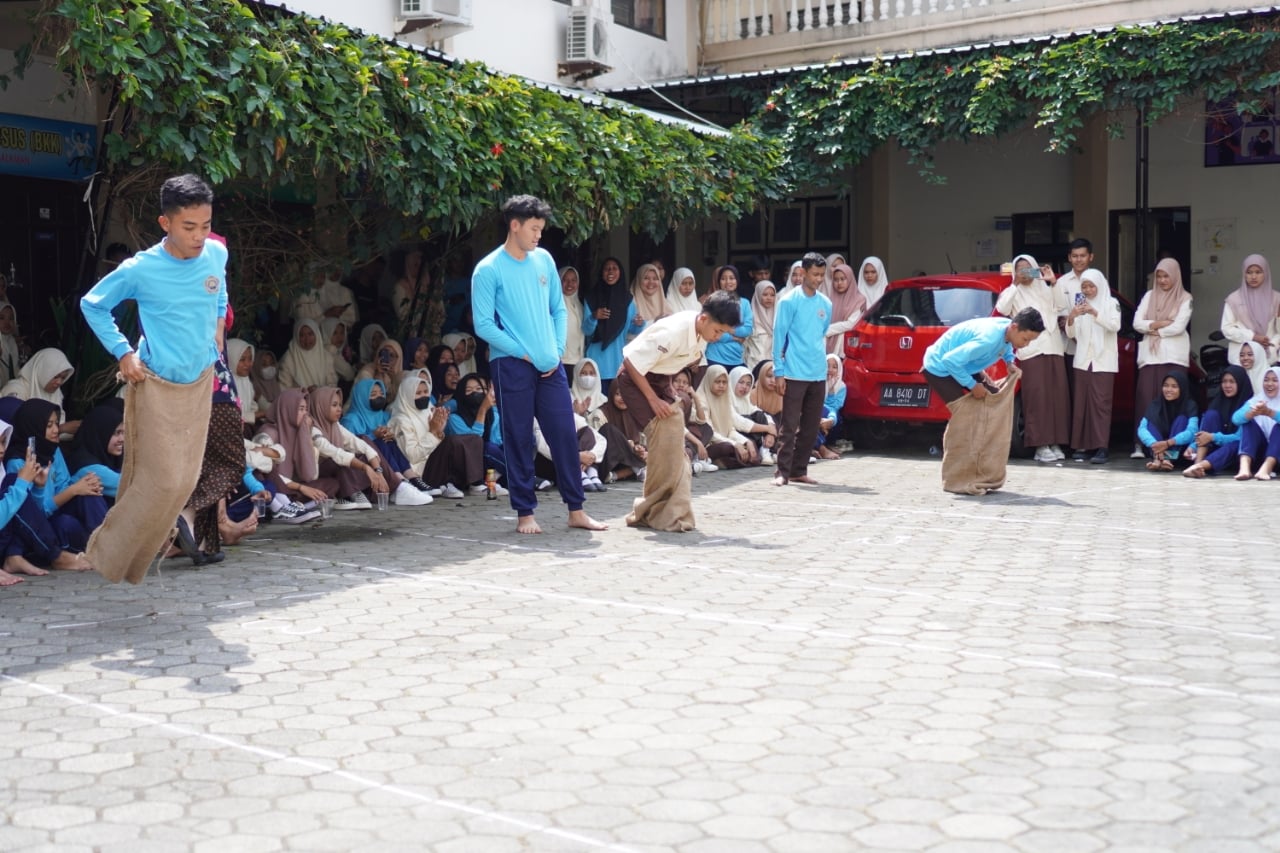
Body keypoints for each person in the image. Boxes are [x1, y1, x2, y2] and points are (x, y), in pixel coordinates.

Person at [79, 174, 228, 584]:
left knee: (184, 481)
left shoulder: (215, 254)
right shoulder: (141, 269)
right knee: (160, 482)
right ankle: (105, 551)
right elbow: (92, 305)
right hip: (156, 385)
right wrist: (124, 353)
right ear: (166, 223)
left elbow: (220, 292)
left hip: (199, 382)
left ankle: (132, 564)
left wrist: (217, 331)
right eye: (188, 227)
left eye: (206, 225)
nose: (199, 236)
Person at [471, 195, 606, 534]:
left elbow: (558, 310)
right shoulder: (488, 269)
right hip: (512, 365)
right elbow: (484, 325)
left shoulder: (544, 260)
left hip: (551, 366)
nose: (538, 236)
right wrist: (526, 353)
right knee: (518, 437)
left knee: (563, 433)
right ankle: (525, 513)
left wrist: (555, 350)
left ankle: (576, 510)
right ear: (514, 225)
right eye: (533, 229)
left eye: (541, 230)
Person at [613, 290, 740, 530]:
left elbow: (673, 363)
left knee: (671, 446)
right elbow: (631, 362)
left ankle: (654, 510)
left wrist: (669, 388)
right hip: (633, 379)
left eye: (724, 333)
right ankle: (656, 510)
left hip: (659, 379)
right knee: (665, 438)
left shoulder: (703, 334)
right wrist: (652, 400)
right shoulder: (672, 332)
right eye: (718, 330)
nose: (718, 336)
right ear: (704, 319)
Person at [922, 309, 1044, 495]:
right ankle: (956, 478)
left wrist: (1010, 361)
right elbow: (950, 361)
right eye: (1025, 339)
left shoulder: (1006, 330)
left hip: (965, 365)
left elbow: (1006, 346)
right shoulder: (987, 340)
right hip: (939, 367)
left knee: (993, 399)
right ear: (1014, 327)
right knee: (966, 416)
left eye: (1030, 341)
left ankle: (984, 471)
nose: (1025, 344)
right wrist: (972, 385)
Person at [0, 419, 93, 585]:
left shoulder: (52, 454)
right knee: (13, 482)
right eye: (48, 425)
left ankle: (15, 556)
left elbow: (31, 516)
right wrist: (21, 484)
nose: (2, 450)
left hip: (19, 538)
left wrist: (38, 489)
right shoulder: (15, 463)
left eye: (2, 442)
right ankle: (55, 555)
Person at [997, 254, 1070, 463]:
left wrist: (1052, 282)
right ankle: (1040, 444)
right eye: (1020, 269)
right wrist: (1015, 283)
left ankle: (1054, 441)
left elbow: (1061, 306)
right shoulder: (1013, 291)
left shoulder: (1045, 289)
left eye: (1028, 269)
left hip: (1054, 348)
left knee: (1057, 397)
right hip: (1031, 351)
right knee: (1037, 398)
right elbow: (1002, 309)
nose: (1024, 272)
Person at [771, 252, 833, 485]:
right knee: (789, 425)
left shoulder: (826, 304)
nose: (818, 279)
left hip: (818, 372)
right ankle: (782, 472)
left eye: (821, 275)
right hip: (794, 371)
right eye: (815, 274)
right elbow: (779, 337)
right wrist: (779, 371)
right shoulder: (788, 301)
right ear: (803, 273)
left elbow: (822, 333)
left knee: (810, 427)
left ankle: (799, 470)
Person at [1132, 258, 1192, 459]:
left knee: (1174, 402)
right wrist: (1160, 324)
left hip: (1174, 356)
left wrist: (1154, 330)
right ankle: (1141, 445)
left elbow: (1179, 326)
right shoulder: (1149, 296)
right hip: (1150, 357)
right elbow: (1137, 323)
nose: (1163, 280)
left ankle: (1170, 447)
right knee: (1146, 400)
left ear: (1175, 275)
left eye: (1166, 276)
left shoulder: (1185, 298)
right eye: (1159, 276)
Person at [1064, 269, 1120, 463]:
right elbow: (1072, 335)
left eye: (1091, 286)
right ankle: (1082, 445)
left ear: (1100, 285)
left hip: (1103, 362)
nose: (1087, 290)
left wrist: (1095, 312)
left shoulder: (1111, 303)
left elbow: (1115, 326)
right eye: (1084, 286)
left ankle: (1101, 446)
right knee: (1082, 403)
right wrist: (1072, 316)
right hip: (1082, 361)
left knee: (1100, 405)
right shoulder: (1080, 304)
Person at [1184, 365, 1253, 478]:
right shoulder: (1218, 401)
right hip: (1214, 450)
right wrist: (1193, 446)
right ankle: (1197, 462)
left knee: (1235, 444)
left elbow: (1241, 438)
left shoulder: (1249, 406)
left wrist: (1213, 437)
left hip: (1235, 454)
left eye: (1232, 381)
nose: (1227, 385)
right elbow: (1204, 429)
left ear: (1240, 383)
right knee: (1211, 415)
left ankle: (1200, 466)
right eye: (1224, 381)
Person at [581, 257, 634, 390]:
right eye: (606, 269)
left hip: (618, 363)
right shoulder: (591, 298)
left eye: (614, 268)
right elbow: (586, 331)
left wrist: (639, 324)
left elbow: (631, 330)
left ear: (620, 272)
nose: (610, 271)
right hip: (595, 364)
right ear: (601, 273)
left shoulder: (628, 300)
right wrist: (594, 316)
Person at [1221, 254, 1280, 365]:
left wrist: (1271, 344)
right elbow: (1226, 328)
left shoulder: (1277, 299)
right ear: (1244, 274)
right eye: (1249, 272)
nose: (1253, 277)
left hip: (1269, 359)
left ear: (1266, 273)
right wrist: (1253, 337)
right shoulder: (1233, 299)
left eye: (1258, 272)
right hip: (1242, 359)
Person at [1048, 238, 1096, 369]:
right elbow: (1060, 317)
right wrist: (1078, 341)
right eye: (1075, 256)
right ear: (1069, 258)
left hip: (1096, 348)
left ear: (1090, 257)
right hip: (1071, 348)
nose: (1078, 260)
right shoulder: (1061, 283)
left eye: (1083, 256)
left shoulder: (1099, 281)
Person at [1137, 371, 1199, 472]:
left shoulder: (1190, 405)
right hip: (1156, 449)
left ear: (1182, 388)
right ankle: (1158, 459)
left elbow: (1193, 431)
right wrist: (1155, 445)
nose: (1169, 390)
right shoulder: (1156, 404)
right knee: (1151, 422)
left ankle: (1168, 460)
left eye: (1174, 386)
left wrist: (1168, 443)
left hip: (1179, 451)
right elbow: (1142, 429)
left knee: (1182, 420)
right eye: (1166, 386)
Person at [1233, 366, 1280, 480]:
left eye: (1274, 380)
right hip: (1260, 453)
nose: (1269, 384)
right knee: (1247, 422)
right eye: (1266, 380)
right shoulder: (1257, 400)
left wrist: (1269, 413)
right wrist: (1251, 414)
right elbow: (1235, 419)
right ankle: (1244, 467)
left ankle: (1267, 468)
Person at [703, 265, 753, 369]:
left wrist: (727, 329)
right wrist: (735, 337)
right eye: (723, 279)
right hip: (714, 357)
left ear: (737, 281)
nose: (728, 282)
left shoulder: (744, 303)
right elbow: (711, 332)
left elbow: (747, 330)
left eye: (732, 278)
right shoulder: (713, 302)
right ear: (718, 282)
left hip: (737, 358)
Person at [729, 366, 778, 465]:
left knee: (760, 415)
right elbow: (738, 422)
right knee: (749, 418)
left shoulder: (746, 400)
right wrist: (767, 428)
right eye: (741, 382)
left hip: (751, 435)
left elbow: (764, 415)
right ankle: (767, 451)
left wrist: (771, 433)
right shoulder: (726, 399)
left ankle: (766, 451)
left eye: (748, 384)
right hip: (736, 434)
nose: (745, 387)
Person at [278, 319, 338, 391]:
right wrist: (303, 393)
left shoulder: (326, 356)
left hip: (323, 400)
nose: (307, 339)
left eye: (310, 334)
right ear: (296, 336)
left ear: (316, 334)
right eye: (302, 335)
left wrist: (319, 390)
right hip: (298, 401)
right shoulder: (288, 359)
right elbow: (284, 388)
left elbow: (332, 384)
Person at [823, 262, 867, 356]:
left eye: (843, 279)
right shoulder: (829, 300)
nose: (839, 283)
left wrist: (827, 330)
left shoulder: (859, 300)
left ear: (850, 279)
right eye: (836, 280)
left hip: (847, 348)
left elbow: (851, 324)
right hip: (829, 348)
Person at [559, 266, 586, 378]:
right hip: (559, 361)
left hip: (578, 361)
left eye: (573, 280)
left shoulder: (581, 307)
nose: (569, 284)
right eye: (565, 280)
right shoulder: (553, 307)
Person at [744, 281, 777, 369]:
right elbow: (744, 344)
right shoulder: (750, 317)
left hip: (773, 364)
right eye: (765, 294)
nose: (769, 298)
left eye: (772, 295)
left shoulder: (778, 317)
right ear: (758, 295)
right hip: (754, 363)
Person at [250, 347, 282, 413]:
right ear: (256, 367)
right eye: (264, 364)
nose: (269, 367)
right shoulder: (251, 388)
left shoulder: (277, 383)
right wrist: (259, 399)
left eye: (272, 363)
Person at [0, 303, 21, 386]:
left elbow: (15, 369)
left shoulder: (11, 341)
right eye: (1, 318)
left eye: (11, 318)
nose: (7, 322)